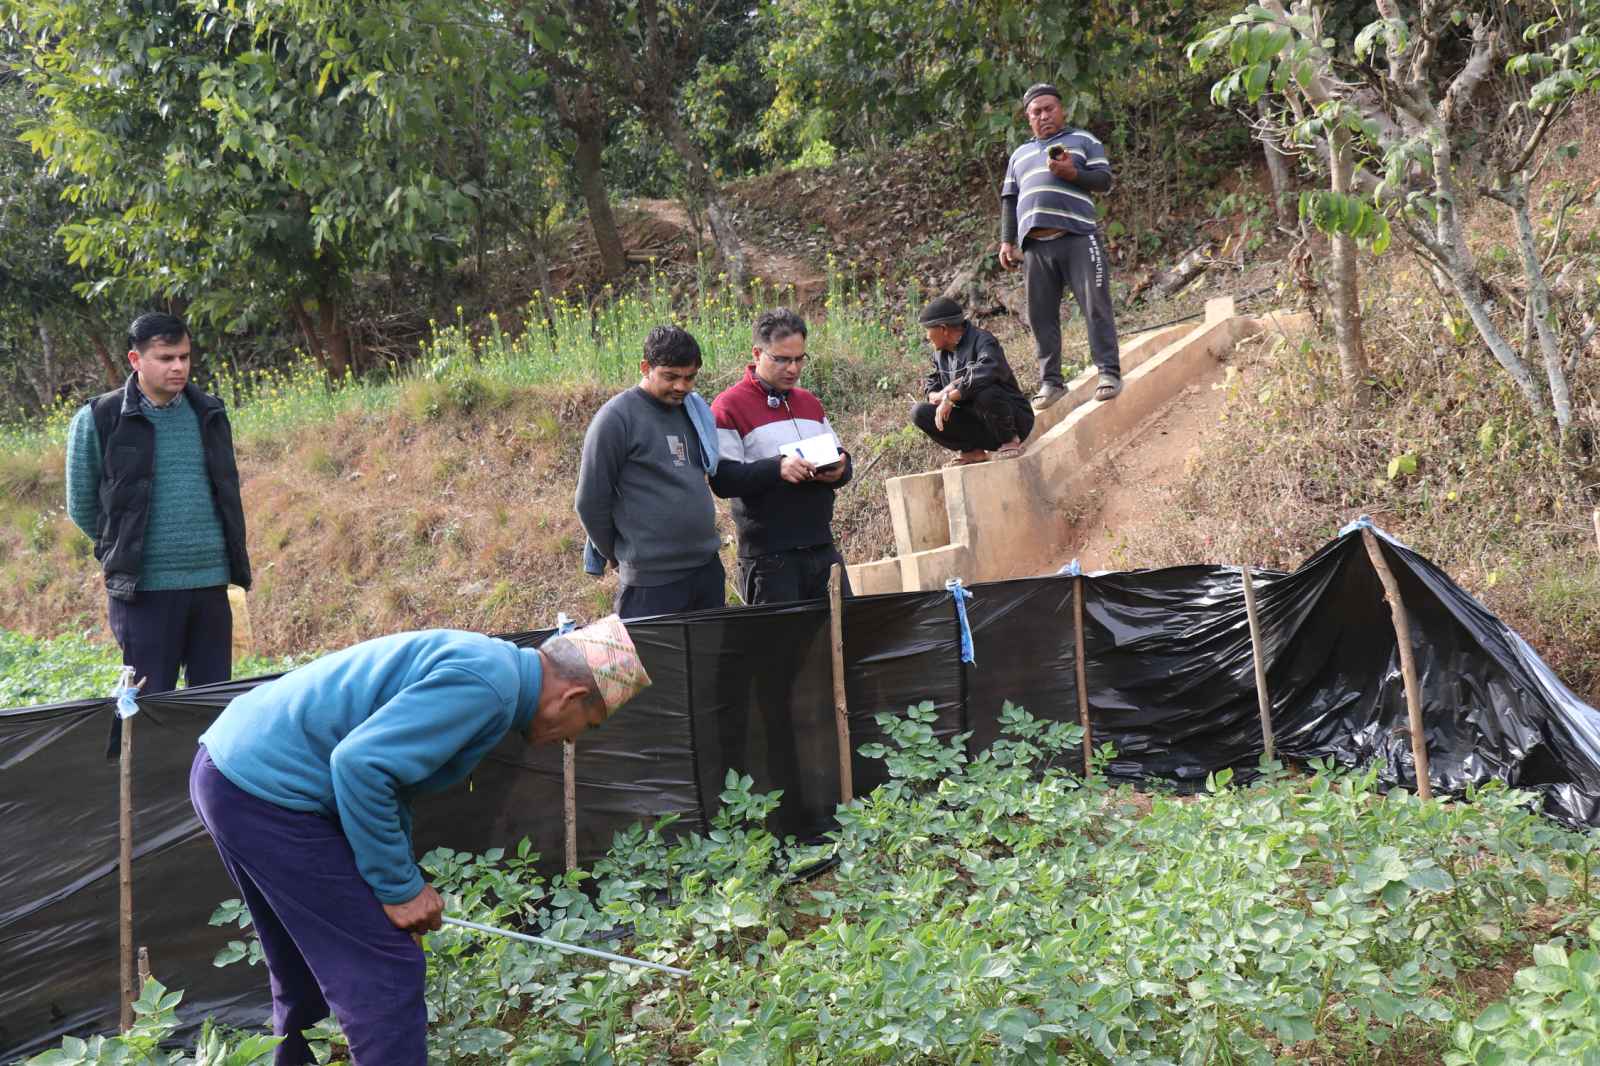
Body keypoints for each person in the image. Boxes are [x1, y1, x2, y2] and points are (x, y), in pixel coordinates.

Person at [188, 617, 652, 1066]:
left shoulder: (493, 667)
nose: (571, 741)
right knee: (386, 970)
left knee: (302, 971)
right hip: (268, 792)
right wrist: (399, 889)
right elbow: (362, 766)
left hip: (234, 771)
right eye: (588, 725)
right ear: (572, 696)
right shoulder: (488, 688)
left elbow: (391, 785)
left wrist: (398, 883)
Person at [64, 311, 250, 695]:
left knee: (214, 703)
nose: (178, 367)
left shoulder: (210, 412)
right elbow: (81, 504)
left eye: (184, 356)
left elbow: (225, 492)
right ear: (136, 360)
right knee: (148, 703)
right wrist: (123, 546)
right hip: (144, 588)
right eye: (166, 358)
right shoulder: (100, 417)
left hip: (211, 583)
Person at [575, 325, 725, 619]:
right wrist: (618, 554)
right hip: (651, 583)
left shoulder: (693, 411)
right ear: (645, 368)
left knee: (713, 651)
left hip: (706, 569)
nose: (681, 386)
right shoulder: (616, 418)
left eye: (689, 377)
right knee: (650, 653)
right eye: (670, 377)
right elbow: (590, 501)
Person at [709, 307, 853, 604]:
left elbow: (839, 457)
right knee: (782, 637)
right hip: (770, 560)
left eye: (799, 359)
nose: (793, 369)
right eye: (782, 359)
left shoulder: (809, 402)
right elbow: (722, 479)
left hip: (822, 549)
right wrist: (778, 469)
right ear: (757, 353)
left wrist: (842, 468)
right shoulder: (728, 406)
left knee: (846, 630)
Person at [998, 83, 1123, 411]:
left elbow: (1104, 181)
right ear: (1028, 118)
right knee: (1041, 316)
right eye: (1036, 112)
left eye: (1049, 109)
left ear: (1061, 109)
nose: (1044, 116)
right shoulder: (1019, 155)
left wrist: (1072, 173)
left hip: (1078, 236)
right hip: (1035, 246)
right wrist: (1007, 241)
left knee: (1095, 305)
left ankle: (1108, 373)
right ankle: (1051, 382)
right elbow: (1009, 199)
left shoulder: (1083, 140)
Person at [911, 297, 1035, 465]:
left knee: (984, 390)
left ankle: (1010, 440)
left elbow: (986, 372)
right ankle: (972, 451)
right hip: (980, 426)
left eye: (928, 330)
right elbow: (932, 380)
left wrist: (950, 396)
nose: (927, 336)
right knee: (919, 412)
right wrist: (935, 395)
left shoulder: (983, 340)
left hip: (1012, 420)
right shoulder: (939, 353)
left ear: (943, 329)